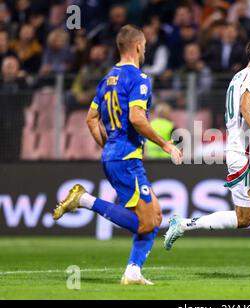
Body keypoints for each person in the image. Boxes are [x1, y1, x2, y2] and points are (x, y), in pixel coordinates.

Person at [52, 25, 182, 285]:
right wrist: (165, 145)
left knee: (154, 216)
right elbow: (136, 118)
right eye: (144, 46)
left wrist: (109, 145)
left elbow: (91, 119)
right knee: (147, 223)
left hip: (116, 156)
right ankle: (84, 200)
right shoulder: (139, 78)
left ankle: (133, 272)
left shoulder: (107, 78)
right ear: (137, 46)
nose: (144, 50)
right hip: (126, 160)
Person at [164, 38, 250, 279]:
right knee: (244, 218)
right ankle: (184, 224)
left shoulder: (238, 76)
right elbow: (245, 103)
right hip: (245, 155)